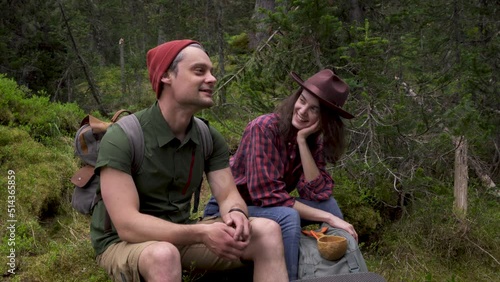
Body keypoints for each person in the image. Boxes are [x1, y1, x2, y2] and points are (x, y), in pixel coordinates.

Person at [90, 39, 288, 282]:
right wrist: (201, 233)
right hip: (125, 244)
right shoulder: (123, 137)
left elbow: (227, 195)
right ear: (166, 76)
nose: (212, 79)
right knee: (164, 255)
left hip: (182, 236)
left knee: (267, 232)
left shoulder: (207, 137)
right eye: (199, 71)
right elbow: (127, 224)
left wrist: (235, 212)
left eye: (212, 71)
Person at [204, 69, 358, 281]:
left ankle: (346, 271)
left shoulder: (312, 140)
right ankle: (291, 277)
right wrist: (328, 218)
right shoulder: (264, 127)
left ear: (325, 120)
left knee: (328, 205)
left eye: (314, 109)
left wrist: (303, 142)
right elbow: (267, 195)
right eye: (302, 100)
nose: (302, 111)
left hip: (268, 207)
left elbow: (318, 193)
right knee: (289, 216)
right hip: (233, 208)